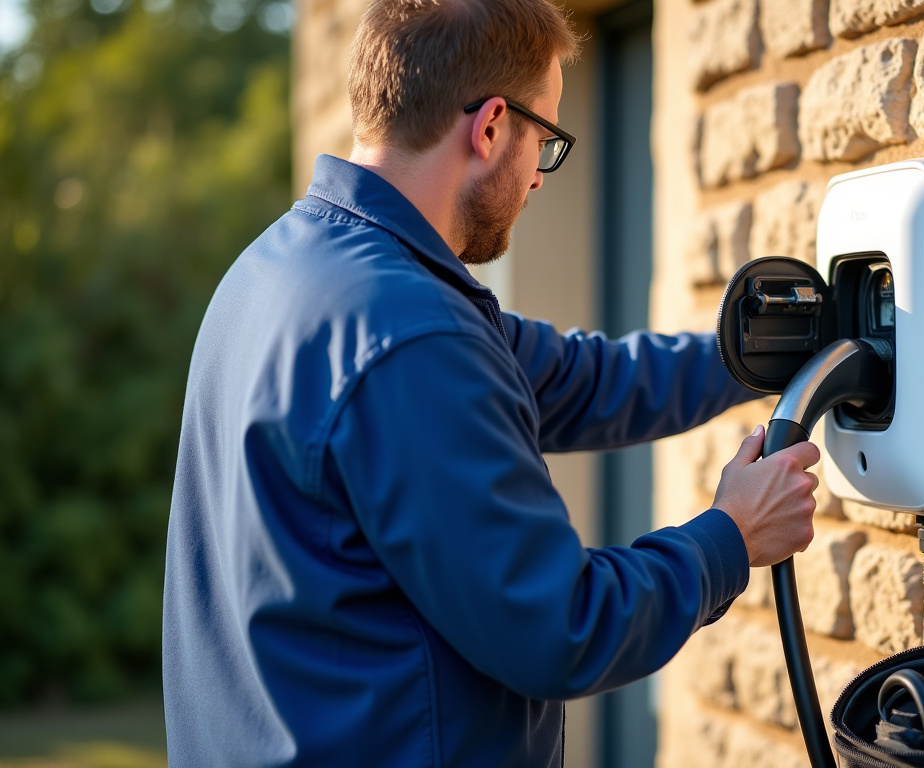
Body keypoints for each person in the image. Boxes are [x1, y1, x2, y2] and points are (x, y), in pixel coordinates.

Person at [162, 0, 822, 765]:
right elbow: (558, 630)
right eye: (548, 140)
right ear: (490, 127)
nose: (542, 178)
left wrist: (763, 348)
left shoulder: (279, 270)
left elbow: (585, 380)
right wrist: (730, 538)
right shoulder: (410, 332)